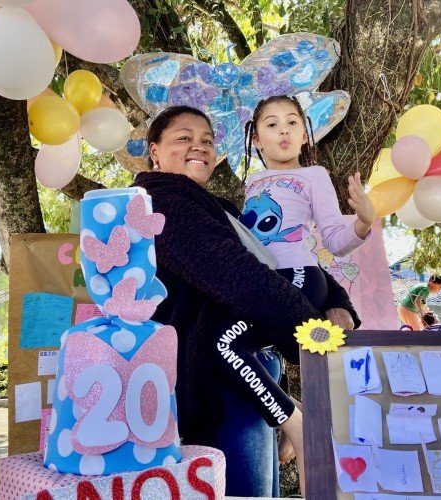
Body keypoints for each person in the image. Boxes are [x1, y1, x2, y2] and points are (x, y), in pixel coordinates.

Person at [132, 105, 360, 497]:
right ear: (154, 150)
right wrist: (308, 331)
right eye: (183, 137)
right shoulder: (160, 201)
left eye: (207, 139)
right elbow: (237, 275)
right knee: (245, 492)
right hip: (217, 384)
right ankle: (296, 423)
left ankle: (291, 419)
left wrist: (336, 301)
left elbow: (283, 260)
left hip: (252, 376)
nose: (198, 146)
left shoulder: (218, 208)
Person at [240, 95, 376, 311]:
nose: (284, 130)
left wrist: (365, 222)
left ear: (304, 135)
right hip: (259, 276)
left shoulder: (315, 175)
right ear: (256, 140)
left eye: (292, 122)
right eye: (272, 124)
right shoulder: (253, 181)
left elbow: (336, 243)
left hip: (300, 272)